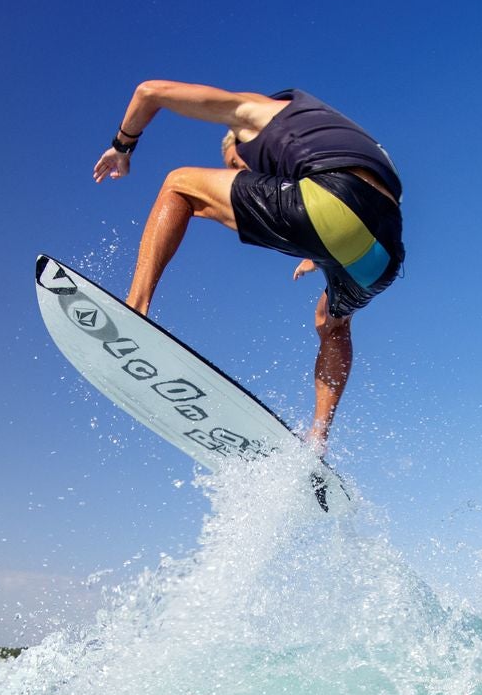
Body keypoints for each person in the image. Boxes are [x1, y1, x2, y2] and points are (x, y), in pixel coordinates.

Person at [93, 81, 404, 449]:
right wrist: (318, 251)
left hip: (333, 206)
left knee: (180, 185)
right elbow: (363, 206)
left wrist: (121, 146)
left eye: (233, 164)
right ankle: (317, 439)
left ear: (238, 146)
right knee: (331, 323)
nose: (238, 172)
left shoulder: (254, 114)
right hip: (383, 253)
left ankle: (134, 313)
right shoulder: (327, 131)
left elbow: (150, 92)